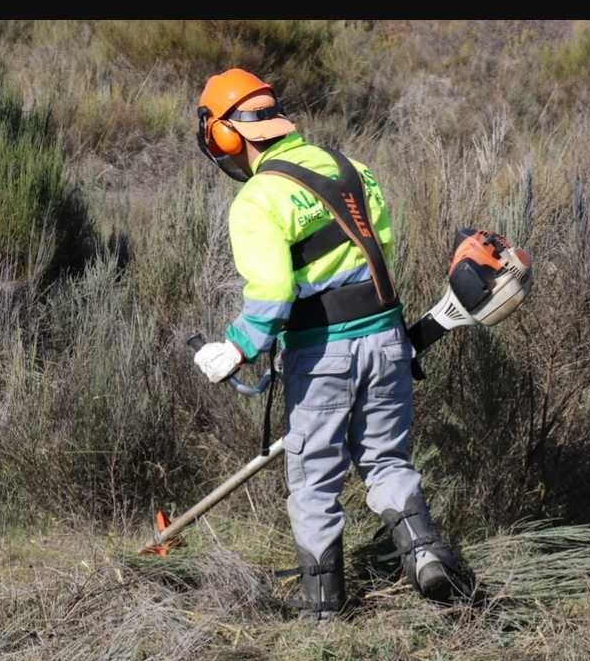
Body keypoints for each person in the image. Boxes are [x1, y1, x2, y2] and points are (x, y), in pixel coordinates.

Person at [193, 68, 468, 621]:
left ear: (225, 136)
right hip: (388, 336)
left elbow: (271, 293)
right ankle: (425, 554)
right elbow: (380, 249)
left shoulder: (257, 199)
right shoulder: (354, 170)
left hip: (323, 354)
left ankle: (324, 611)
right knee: (386, 458)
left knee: (314, 479)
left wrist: (236, 348)